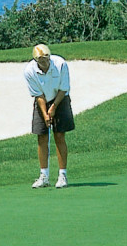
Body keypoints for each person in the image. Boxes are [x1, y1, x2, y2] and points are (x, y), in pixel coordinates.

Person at [23, 44, 75, 189]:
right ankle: (44, 176)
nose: (45, 62)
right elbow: (38, 95)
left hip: (61, 98)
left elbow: (64, 89)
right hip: (42, 100)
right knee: (42, 136)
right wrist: (45, 113)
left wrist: (53, 108)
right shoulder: (29, 71)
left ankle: (62, 175)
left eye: (46, 59)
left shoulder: (60, 64)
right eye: (41, 60)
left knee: (59, 136)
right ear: (36, 60)